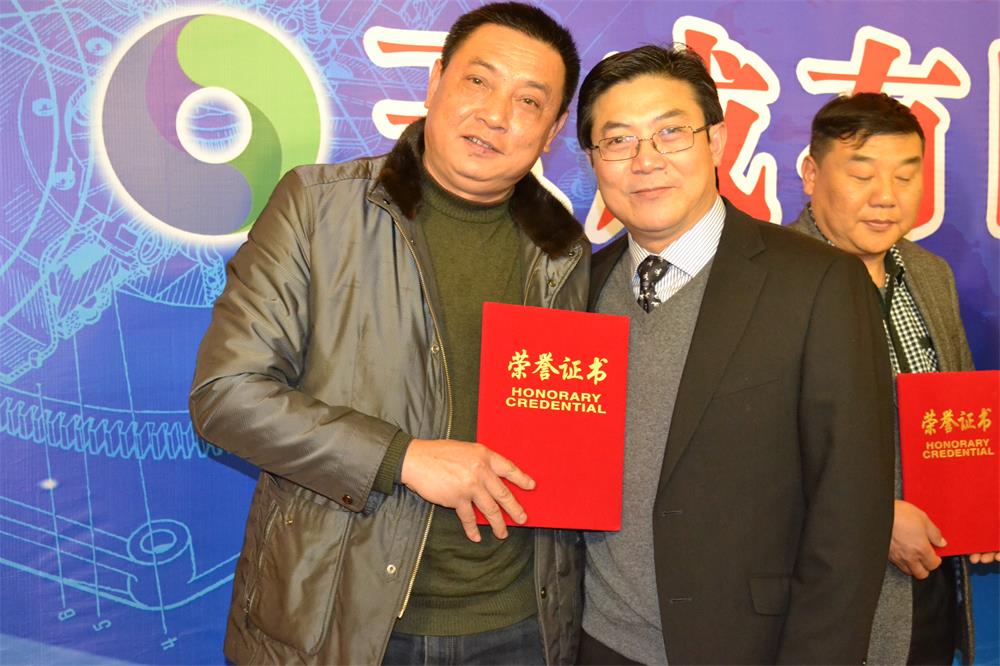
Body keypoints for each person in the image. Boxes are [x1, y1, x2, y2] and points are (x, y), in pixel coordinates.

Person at [188, 3, 590, 664]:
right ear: (435, 83)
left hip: (521, 624)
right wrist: (403, 458)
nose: (496, 114)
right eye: (478, 81)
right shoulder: (318, 207)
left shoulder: (563, 251)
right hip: (342, 620)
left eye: (529, 101)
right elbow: (226, 395)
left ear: (551, 131)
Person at [578, 45, 895, 665]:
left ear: (717, 140)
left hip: (750, 647)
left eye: (671, 132)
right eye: (617, 141)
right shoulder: (576, 288)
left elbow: (852, 512)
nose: (646, 160)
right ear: (593, 159)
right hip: (597, 642)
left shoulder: (819, 283)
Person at [792, 91, 998, 665]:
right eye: (862, 175)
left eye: (906, 177)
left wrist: (979, 502)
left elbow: (959, 416)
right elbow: (744, 451)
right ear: (811, 174)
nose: (886, 197)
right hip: (821, 592)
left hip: (931, 581)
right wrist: (873, 515)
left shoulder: (931, 274)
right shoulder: (770, 278)